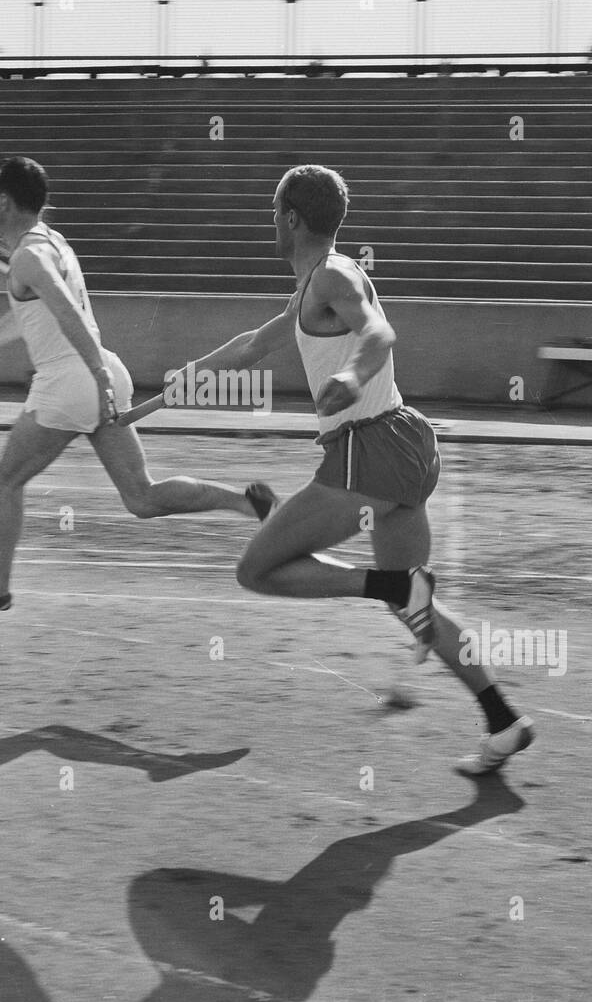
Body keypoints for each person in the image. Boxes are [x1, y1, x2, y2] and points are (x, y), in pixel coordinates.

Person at [146, 165, 534, 776]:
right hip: (404, 443)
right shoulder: (310, 292)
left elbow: (378, 329)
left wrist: (351, 376)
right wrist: (155, 400)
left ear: (292, 218)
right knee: (416, 606)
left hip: (368, 449)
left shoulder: (333, 273)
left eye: (274, 213)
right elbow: (249, 345)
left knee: (257, 569)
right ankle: (502, 718)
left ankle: (391, 587)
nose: (271, 225)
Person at [0, 157, 268, 610]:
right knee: (141, 497)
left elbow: (67, 311)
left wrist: (92, 373)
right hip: (101, 375)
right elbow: (32, 317)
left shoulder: (28, 257)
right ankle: (245, 503)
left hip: (72, 382)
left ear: (7, 203)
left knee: (6, 478)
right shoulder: (51, 243)